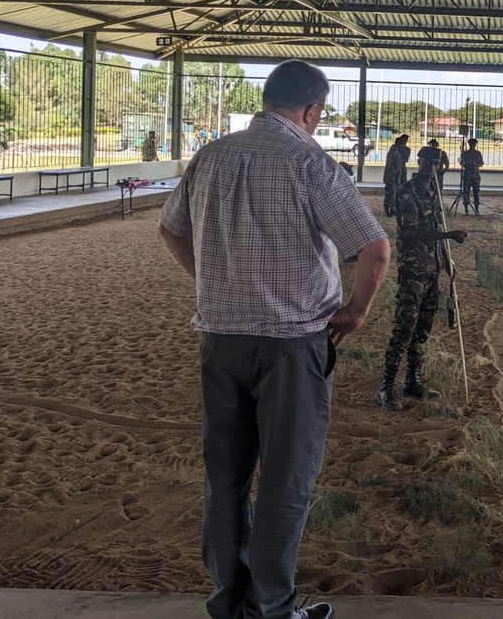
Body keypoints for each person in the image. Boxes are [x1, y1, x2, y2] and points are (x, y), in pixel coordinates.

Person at [159, 60, 391, 619]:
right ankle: (273, 607)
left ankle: (227, 601)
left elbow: (170, 229)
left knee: (226, 475)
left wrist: (215, 282)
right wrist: (356, 312)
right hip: (292, 344)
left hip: (219, 338)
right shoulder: (310, 162)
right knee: (287, 478)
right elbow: (374, 249)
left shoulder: (212, 155)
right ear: (311, 110)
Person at [380, 145, 468, 410]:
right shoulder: (407, 191)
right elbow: (411, 232)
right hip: (413, 270)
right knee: (404, 327)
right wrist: (448, 236)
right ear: (418, 162)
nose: (433, 168)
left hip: (433, 271)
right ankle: (386, 386)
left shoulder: (435, 193)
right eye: (428, 163)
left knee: (422, 329)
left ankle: (412, 381)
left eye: (437, 163)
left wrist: (446, 259)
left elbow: (436, 227)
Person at [382, 134, 409, 218]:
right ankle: (390, 209)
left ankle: (393, 209)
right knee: (391, 192)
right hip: (394, 175)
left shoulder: (402, 150)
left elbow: (404, 160)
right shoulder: (397, 150)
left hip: (397, 175)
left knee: (396, 192)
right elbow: (390, 163)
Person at [459, 138, 484, 215]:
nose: (472, 146)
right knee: (466, 193)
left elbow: (481, 163)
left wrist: (475, 164)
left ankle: (476, 210)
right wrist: (465, 162)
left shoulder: (478, 153)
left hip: (475, 176)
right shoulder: (465, 153)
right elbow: (461, 163)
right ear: (469, 144)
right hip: (467, 175)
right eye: (471, 144)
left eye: (473, 144)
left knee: (476, 193)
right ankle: (466, 210)